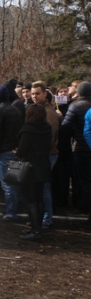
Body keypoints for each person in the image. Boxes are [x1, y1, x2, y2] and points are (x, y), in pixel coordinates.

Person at [16, 103, 52, 241]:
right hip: (43, 165)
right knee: (39, 198)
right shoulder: (47, 128)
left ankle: (35, 229)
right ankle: (38, 227)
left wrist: (17, 152)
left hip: (29, 167)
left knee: (30, 199)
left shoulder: (28, 129)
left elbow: (23, 149)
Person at [0, 85, 25, 222]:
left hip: (3, 151)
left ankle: (11, 212)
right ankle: (15, 208)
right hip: (14, 150)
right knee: (14, 182)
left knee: (7, 184)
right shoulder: (15, 110)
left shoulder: (0, 112)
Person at [61, 81, 91, 229]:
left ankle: (83, 206)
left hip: (80, 147)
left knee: (82, 179)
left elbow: (66, 126)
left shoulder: (76, 106)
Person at [31, 81, 60, 230]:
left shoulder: (49, 112)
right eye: (33, 93)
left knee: (45, 187)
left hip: (47, 154)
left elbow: (52, 136)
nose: (34, 96)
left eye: (37, 93)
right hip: (40, 155)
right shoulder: (37, 109)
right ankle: (41, 217)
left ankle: (47, 218)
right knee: (40, 187)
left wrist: (40, 153)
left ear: (45, 94)